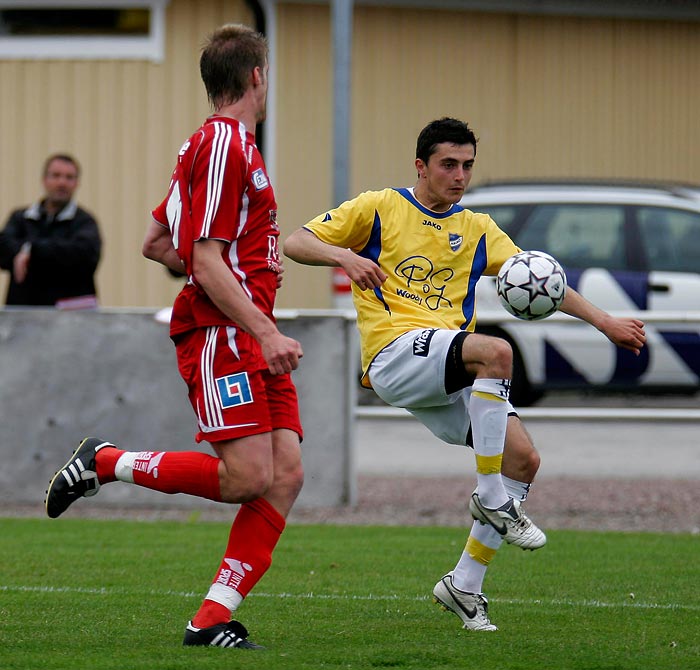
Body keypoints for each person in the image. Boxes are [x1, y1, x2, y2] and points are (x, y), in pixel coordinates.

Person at [283, 117, 646, 631]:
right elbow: (294, 242)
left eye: (467, 165)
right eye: (448, 164)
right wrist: (345, 257)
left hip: (444, 366)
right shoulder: (380, 207)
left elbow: (540, 281)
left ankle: (464, 584)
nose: (459, 175)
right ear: (421, 166)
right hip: (393, 354)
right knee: (497, 353)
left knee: (523, 458)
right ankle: (490, 494)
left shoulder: (476, 228)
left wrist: (605, 321)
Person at [45, 24, 304, 650]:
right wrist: (263, 328)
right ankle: (106, 461)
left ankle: (211, 619)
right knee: (246, 478)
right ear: (255, 78)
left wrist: (232, 285)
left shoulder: (219, 147)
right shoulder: (223, 145)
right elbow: (206, 259)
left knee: (286, 473)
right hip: (225, 334)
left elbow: (158, 244)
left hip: (242, 328)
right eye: (266, 75)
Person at [0, 153, 101, 308]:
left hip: (73, 320)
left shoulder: (85, 222)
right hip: (24, 317)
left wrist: (30, 251)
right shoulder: (20, 218)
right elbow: (3, 250)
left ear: (77, 183)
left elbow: (84, 256)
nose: (62, 182)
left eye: (69, 177)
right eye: (56, 175)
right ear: (44, 180)